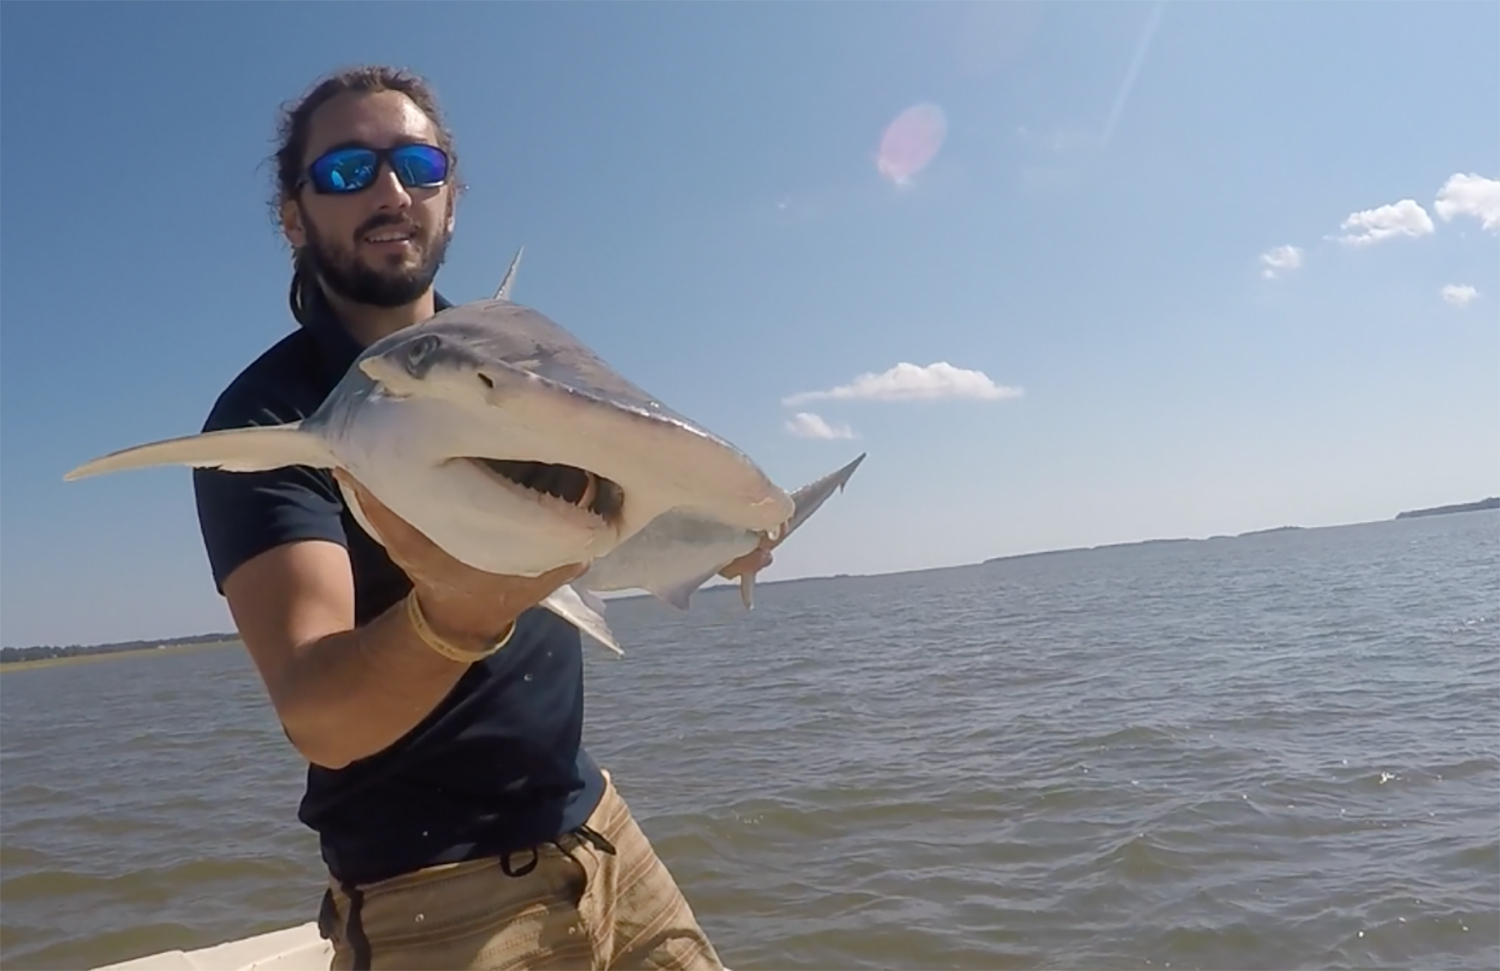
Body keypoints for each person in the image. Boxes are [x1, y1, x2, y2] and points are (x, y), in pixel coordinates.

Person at [192, 64, 771, 971]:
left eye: (417, 164)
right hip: (433, 895)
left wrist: (715, 530)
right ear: (294, 217)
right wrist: (456, 611)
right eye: (347, 170)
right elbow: (320, 717)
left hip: (601, 828)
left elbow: (617, 503)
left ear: (451, 200)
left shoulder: (532, 360)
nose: (390, 189)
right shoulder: (268, 422)